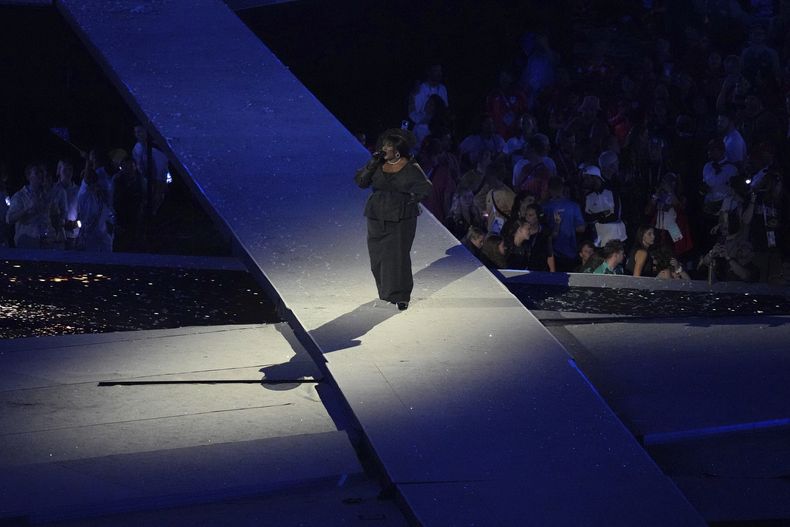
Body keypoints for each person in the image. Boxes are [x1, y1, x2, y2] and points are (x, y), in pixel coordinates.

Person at [355, 129, 432, 311]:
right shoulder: (377, 163)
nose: (384, 148)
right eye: (384, 145)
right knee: (378, 256)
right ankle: (386, 293)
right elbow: (361, 182)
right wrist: (371, 164)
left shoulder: (411, 167)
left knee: (397, 257)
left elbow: (425, 188)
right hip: (376, 214)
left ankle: (401, 295)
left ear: (397, 150)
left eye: (388, 146)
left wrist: (411, 199)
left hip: (400, 217)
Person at [542, 176, 585, 272]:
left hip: (551, 252)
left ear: (549, 189)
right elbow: (581, 228)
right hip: (569, 251)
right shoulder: (574, 206)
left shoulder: (544, 207)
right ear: (562, 188)